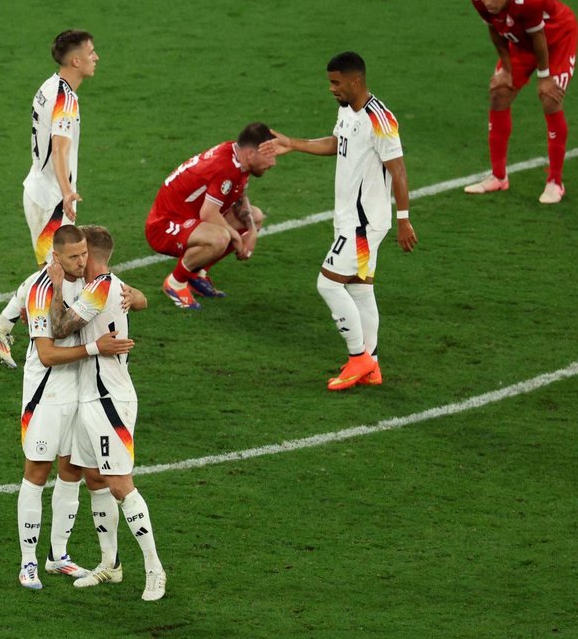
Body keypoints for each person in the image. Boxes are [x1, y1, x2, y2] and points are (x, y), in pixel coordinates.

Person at [261, 52, 417, 390]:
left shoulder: (381, 119)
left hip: (362, 224)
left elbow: (399, 170)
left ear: (355, 80)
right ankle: (371, 364)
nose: (331, 88)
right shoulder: (347, 109)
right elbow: (338, 143)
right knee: (360, 290)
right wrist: (294, 144)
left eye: (336, 82)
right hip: (349, 217)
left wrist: (404, 219)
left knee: (328, 284)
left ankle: (357, 356)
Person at [48, 225, 167, 601]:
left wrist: (54, 287)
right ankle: (110, 565)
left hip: (109, 399)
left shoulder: (100, 287)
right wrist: (140, 297)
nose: (77, 259)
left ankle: (155, 570)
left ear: (91, 255)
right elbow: (135, 297)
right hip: (89, 397)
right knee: (95, 480)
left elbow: (60, 328)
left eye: (82, 254)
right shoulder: (105, 285)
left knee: (118, 483)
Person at [16, 225, 134, 590]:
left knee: (73, 470)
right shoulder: (41, 289)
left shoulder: (88, 282)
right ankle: (28, 564)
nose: (82, 262)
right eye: (73, 257)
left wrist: (137, 296)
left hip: (83, 394)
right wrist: (97, 348)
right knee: (37, 471)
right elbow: (48, 354)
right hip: (46, 395)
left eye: (84, 254)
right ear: (56, 256)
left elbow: (121, 293)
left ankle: (58, 556)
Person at [0, 30, 100, 367]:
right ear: (75, 60)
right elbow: (60, 147)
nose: (96, 58)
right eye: (91, 53)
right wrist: (66, 192)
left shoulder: (48, 86)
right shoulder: (67, 99)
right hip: (49, 199)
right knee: (54, 271)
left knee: (53, 270)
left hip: (37, 189)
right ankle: (2, 326)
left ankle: (4, 325)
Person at [464, 0, 578, 204]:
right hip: (522, 40)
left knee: (549, 98)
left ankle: (555, 183)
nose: (487, 2)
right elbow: (495, 30)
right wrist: (505, 69)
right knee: (499, 94)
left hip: (556, 39)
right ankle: (498, 177)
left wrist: (544, 77)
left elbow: (539, 38)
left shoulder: (529, 1)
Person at [145, 123, 277, 310]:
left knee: (254, 216)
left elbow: (240, 197)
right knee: (220, 237)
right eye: (269, 156)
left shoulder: (236, 155)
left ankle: (197, 274)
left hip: (188, 217)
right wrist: (236, 236)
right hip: (164, 226)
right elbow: (208, 213)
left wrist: (252, 232)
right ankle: (176, 283)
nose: (273, 163)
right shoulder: (225, 167)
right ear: (251, 154)